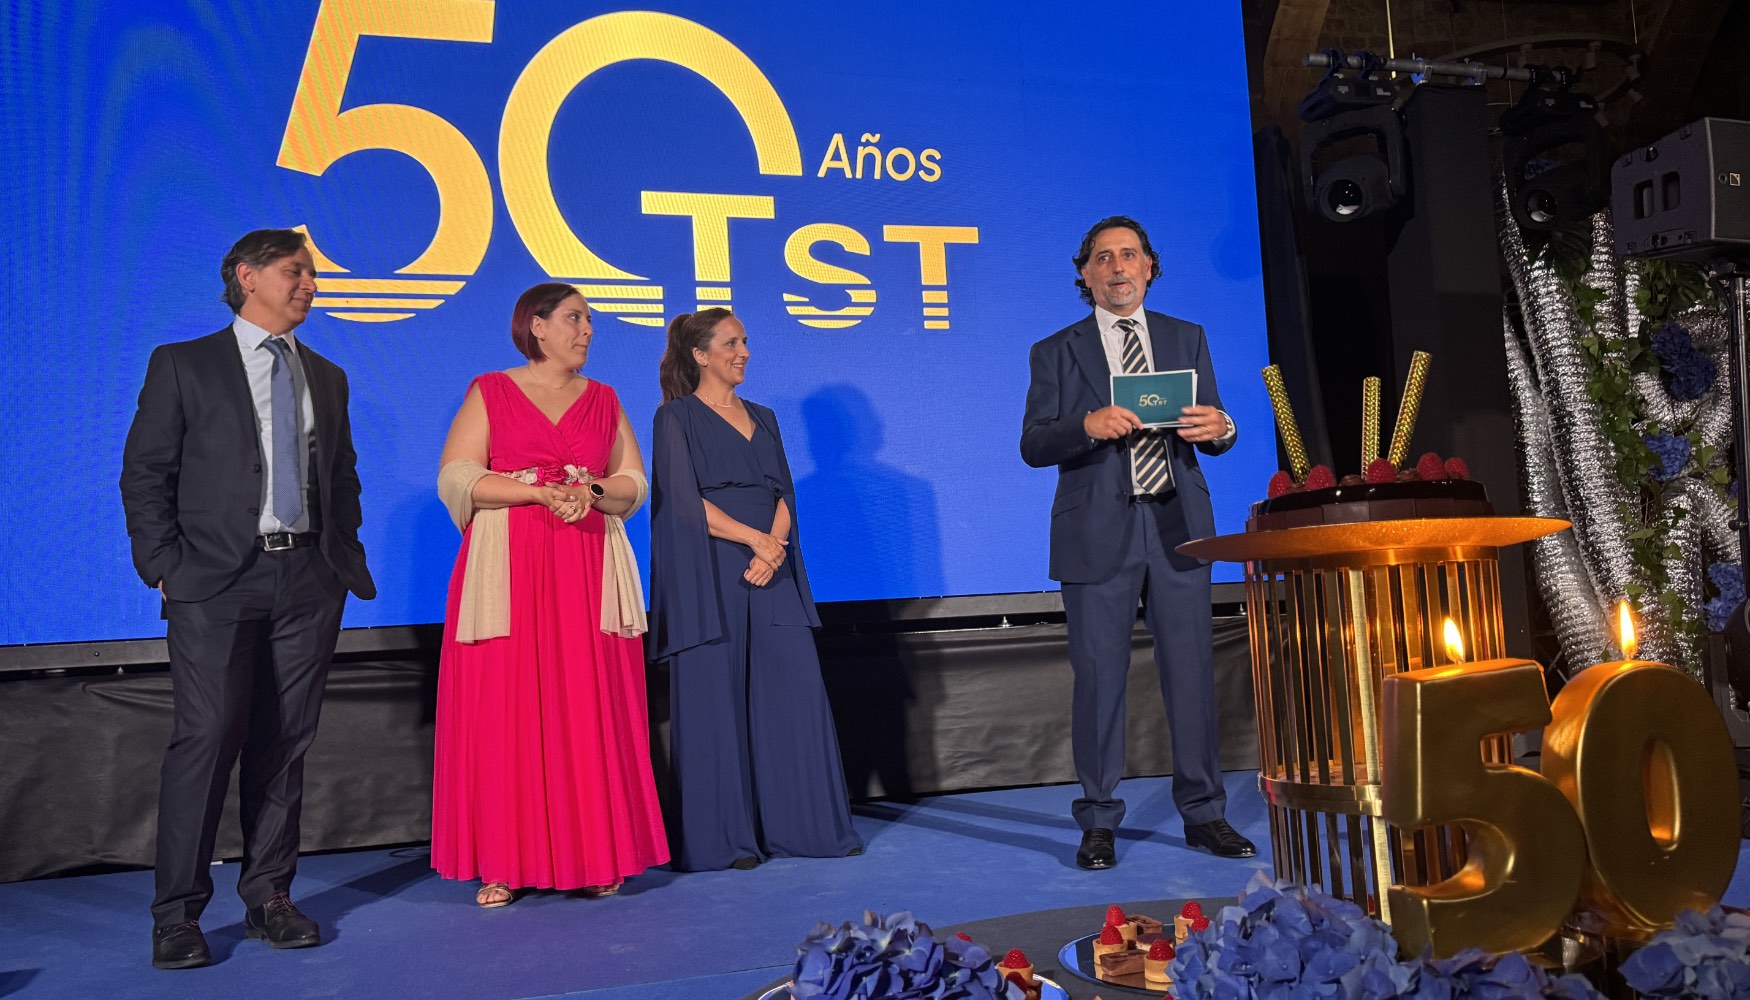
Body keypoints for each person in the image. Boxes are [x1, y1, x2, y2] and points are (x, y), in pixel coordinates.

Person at [121, 228, 375, 969]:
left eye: (312, 276)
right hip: (214, 582)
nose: (310, 285)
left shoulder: (326, 373)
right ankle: (177, 915)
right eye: (296, 272)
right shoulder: (183, 364)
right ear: (247, 275)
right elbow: (145, 473)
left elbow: (343, 477)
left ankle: (270, 896)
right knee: (206, 738)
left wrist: (340, 557)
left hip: (307, 580)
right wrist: (163, 563)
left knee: (286, 743)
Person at [1019, 216, 1257, 870]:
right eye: (1103, 258)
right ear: (1086, 274)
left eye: (1129, 255)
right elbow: (1034, 444)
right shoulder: (1056, 351)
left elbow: (1211, 426)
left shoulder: (1187, 337)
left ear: (1149, 266)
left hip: (1180, 527)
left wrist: (1222, 426)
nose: (1118, 267)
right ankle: (1098, 822)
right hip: (1097, 531)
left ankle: (1204, 813)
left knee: (1192, 676)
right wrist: (1087, 424)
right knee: (1099, 681)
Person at [430, 282, 667, 906]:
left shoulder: (605, 399)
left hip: (585, 564)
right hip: (509, 565)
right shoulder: (491, 390)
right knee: (504, 706)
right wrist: (535, 493)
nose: (587, 329)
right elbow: (457, 476)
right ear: (535, 326)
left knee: (586, 704)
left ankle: (595, 854)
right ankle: (502, 861)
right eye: (574, 318)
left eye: (589, 320)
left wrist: (589, 493)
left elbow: (633, 484)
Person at [648, 308, 863, 871]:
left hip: (773, 565)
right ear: (700, 354)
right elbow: (682, 499)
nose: (743, 350)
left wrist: (775, 544)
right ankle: (727, 840)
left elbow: (784, 491)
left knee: (791, 690)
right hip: (716, 565)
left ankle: (805, 827)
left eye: (745, 340)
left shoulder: (764, 417)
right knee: (716, 695)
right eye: (731, 342)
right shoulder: (677, 418)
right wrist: (754, 541)